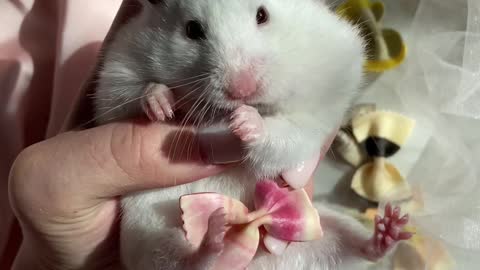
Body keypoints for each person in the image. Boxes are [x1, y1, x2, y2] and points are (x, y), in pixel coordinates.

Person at [6, 1, 315, 269]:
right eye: (194, 32)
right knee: (150, 233)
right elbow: (111, 99)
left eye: (260, 18)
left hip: (253, 206)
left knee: (310, 230)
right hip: (159, 203)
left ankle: (361, 246)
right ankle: (194, 260)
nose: (241, 85)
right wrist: (146, 93)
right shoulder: (135, 43)